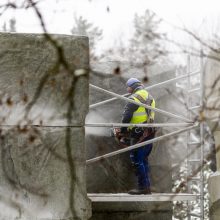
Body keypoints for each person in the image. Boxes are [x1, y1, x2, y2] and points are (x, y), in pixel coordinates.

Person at [120, 77, 156, 195]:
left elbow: (126, 117)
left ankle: (143, 188)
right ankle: (146, 187)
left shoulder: (134, 98)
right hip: (149, 132)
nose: (127, 89)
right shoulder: (150, 97)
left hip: (138, 133)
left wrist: (123, 131)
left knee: (136, 160)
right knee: (143, 160)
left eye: (128, 86)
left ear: (133, 86)